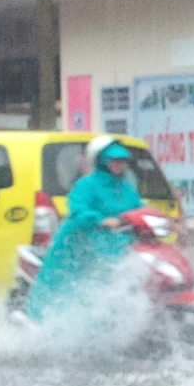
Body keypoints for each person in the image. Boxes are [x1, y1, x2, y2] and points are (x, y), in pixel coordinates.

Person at [25, 136, 145, 323]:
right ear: (102, 161)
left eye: (122, 161)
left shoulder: (127, 188)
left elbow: (139, 208)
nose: (119, 165)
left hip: (117, 244)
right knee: (67, 286)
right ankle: (46, 323)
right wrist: (101, 220)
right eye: (114, 160)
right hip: (80, 245)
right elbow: (78, 208)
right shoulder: (87, 184)